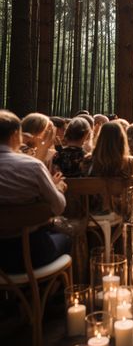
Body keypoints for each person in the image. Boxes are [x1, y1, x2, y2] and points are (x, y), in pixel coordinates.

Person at [0, 110, 70, 273]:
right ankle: (48, 294)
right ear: (15, 135)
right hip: (32, 253)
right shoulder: (32, 166)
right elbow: (59, 207)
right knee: (66, 239)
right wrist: (57, 188)